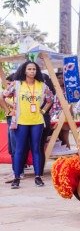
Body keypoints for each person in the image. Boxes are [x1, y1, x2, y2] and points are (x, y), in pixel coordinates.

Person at [2, 61, 54, 189]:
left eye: (34, 69)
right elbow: (2, 96)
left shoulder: (42, 86)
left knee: (36, 149)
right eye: (29, 69)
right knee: (19, 149)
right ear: (24, 71)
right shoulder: (16, 84)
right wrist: (8, 110)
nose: (32, 71)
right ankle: (16, 178)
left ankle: (38, 177)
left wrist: (43, 111)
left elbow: (50, 99)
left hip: (37, 121)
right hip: (21, 121)